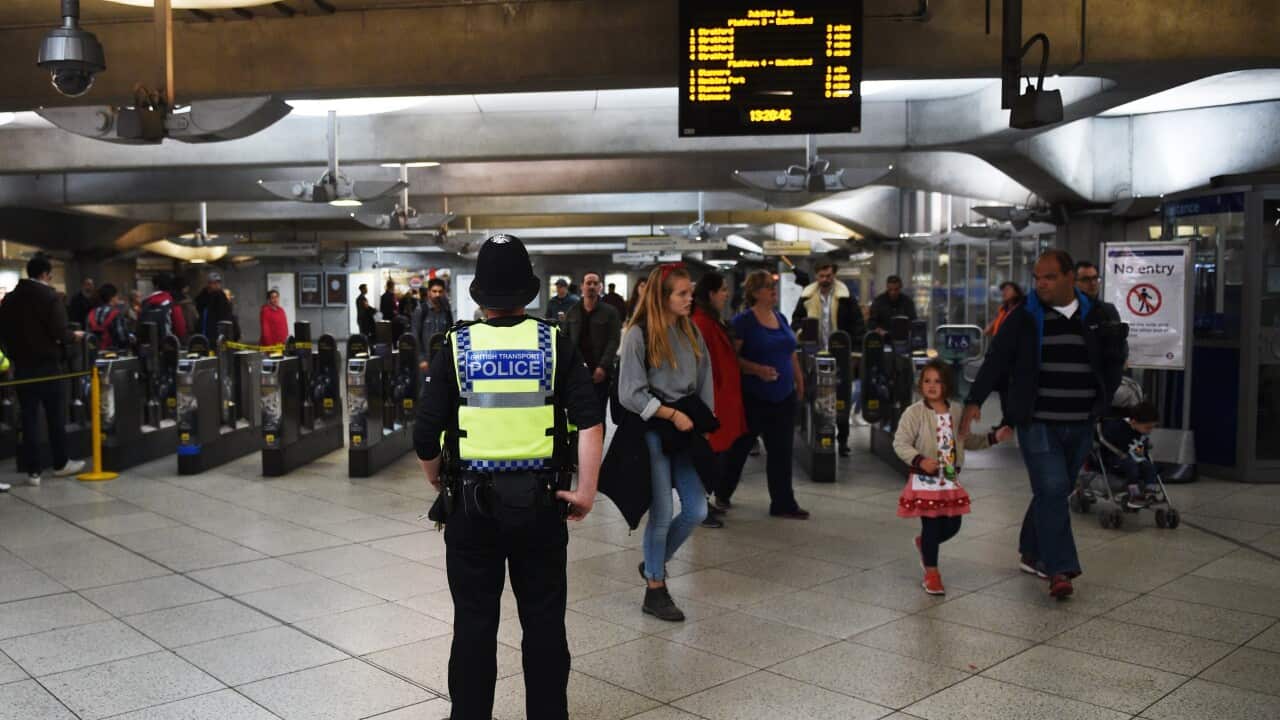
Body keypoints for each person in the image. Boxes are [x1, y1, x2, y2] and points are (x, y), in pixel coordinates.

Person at [413, 234, 602, 720]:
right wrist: (585, 490)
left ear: (479, 294)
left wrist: (438, 478)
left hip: (471, 509)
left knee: (474, 625)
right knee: (543, 625)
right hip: (540, 508)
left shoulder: (455, 346)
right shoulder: (555, 343)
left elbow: (424, 434)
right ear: (529, 293)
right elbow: (590, 418)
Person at [961, 249, 1127, 599]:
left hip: (1080, 420)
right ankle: (1060, 569)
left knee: (1055, 490)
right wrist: (974, 400)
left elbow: (1114, 360)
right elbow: (997, 359)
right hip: (1037, 422)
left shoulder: (1098, 314)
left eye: (1049, 277)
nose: (1041, 284)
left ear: (1069, 278)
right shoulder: (1025, 317)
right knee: (1052, 489)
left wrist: (1102, 399)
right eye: (1037, 277)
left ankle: (1031, 550)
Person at [618, 264, 713, 621]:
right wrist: (670, 415)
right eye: (682, 293)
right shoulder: (638, 335)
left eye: (691, 292)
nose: (690, 299)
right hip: (654, 428)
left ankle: (653, 562)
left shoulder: (690, 332)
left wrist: (703, 423)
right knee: (660, 514)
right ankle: (655, 589)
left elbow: (705, 380)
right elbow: (630, 393)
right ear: (663, 297)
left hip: (685, 428)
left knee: (696, 509)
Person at [895, 360, 1013, 594]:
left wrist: (993, 438)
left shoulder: (956, 411)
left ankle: (925, 546)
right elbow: (900, 442)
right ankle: (932, 574)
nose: (931, 385)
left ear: (947, 384)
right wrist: (919, 460)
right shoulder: (914, 413)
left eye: (937, 381)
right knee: (931, 524)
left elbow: (965, 440)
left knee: (952, 525)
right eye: (927, 380)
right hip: (924, 478)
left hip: (949, 478)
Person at [721, 270, 809, 519]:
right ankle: (723, 491)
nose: (773, 290)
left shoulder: (780, 318)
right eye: (768, 287)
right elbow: (732, 359)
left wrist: (799, 381)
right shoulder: (743, 321)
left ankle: (783, 503)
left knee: (781, 451)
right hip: (754, 397)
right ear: (755, 292)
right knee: (740, 449)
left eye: (773, 286)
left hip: (784, 396)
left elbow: (790, 352)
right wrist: (756, 370)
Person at [0, 255, 87, 486]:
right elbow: (59, 331)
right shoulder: (49, 297)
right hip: (48, 365)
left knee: (28, 418)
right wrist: (74, 336)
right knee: (54, 416)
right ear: (46, 275)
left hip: (22, 367)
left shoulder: (9, 299)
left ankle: (33, 471)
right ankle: (60, 463)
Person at [690, 271, 748, 529]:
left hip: (721, 399)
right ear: (711, 293)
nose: (726, 294)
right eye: (723, 289)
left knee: (716, 454)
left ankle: (705, 502)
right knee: (708, 456)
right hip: (713, 402)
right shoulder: (702, 323)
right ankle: (700, 506)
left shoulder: (712, 320)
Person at [791, 262, 866, 457]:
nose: (825, 279)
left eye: (828, 276)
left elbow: (858, 326)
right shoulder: (807, 297)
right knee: (815, 395)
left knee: (842, 397)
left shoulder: (846, 298)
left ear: (834, 276)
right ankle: (818, 434)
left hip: (840, 355)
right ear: (816, 276)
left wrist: (855, 354)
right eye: (821, 276)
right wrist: (802, 332)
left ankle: (842, 440)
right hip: (814, 354)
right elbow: (796, 321)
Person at [562, 272, 622, 420]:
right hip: (577, 373)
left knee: (598, 413)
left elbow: (614, 341)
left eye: (595, 283)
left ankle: (597, 444)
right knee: (577, 413)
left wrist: (602, 367)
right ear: (582, 286)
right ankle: (578, 443)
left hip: (601, 374)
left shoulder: (610, 312)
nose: (592, 286)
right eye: (588, 283)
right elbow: (566, 340)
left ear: (600, 287)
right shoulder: (573, 312)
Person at [1099, 401, 1163, 509]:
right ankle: (1134, 494)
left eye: (1152, 427)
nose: (1150, 431)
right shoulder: (1116, 427)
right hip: (1115, 458)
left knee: (1149, 466)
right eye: (1148, 428)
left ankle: (1150, 492)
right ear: (1133, 422)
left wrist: (1143, 450)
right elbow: (1105, 441)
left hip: (1134, 457)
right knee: (1131, 465)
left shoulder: (1141, 432)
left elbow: (1140, 447)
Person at [1076, 261, 1129, 362]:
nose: (1092, 283)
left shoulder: (1108, 310)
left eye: (1095, 278)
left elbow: (1120, 344)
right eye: (1086, 279)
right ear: (1074, 282)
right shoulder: (1067, 311)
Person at [412, 278, 454, 370]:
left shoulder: (446, 311)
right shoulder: (421, 310)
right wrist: (421, 359)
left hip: (443, 360)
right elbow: (415, 336)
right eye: (434, 291)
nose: (437, 294)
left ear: (444, 293)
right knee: (426, 383)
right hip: (426, 362)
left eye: (440, 291)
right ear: (428, 292)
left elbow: (450, 335)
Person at [139, 273, 187, 339]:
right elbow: (180, 329)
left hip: (147, 344)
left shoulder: (145, 302)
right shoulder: (172, 302)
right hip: (168, 344)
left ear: (155, 286)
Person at [87, 284, 133, 351]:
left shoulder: (91, 314)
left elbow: (88, 336)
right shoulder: (115, 313)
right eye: (117, 296)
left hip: (94, 354)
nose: (118, 298)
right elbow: (122, 338)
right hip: (112, 354)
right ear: (112, 297)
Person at [194, 272, 233, 339]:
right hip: (204, 329)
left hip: (218, 330)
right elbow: (199, 308)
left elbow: (226, 314)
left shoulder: (221, 295)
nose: (217, 285)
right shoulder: (202, 296)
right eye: (214, 283)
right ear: (208, 284)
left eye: (218, 282)